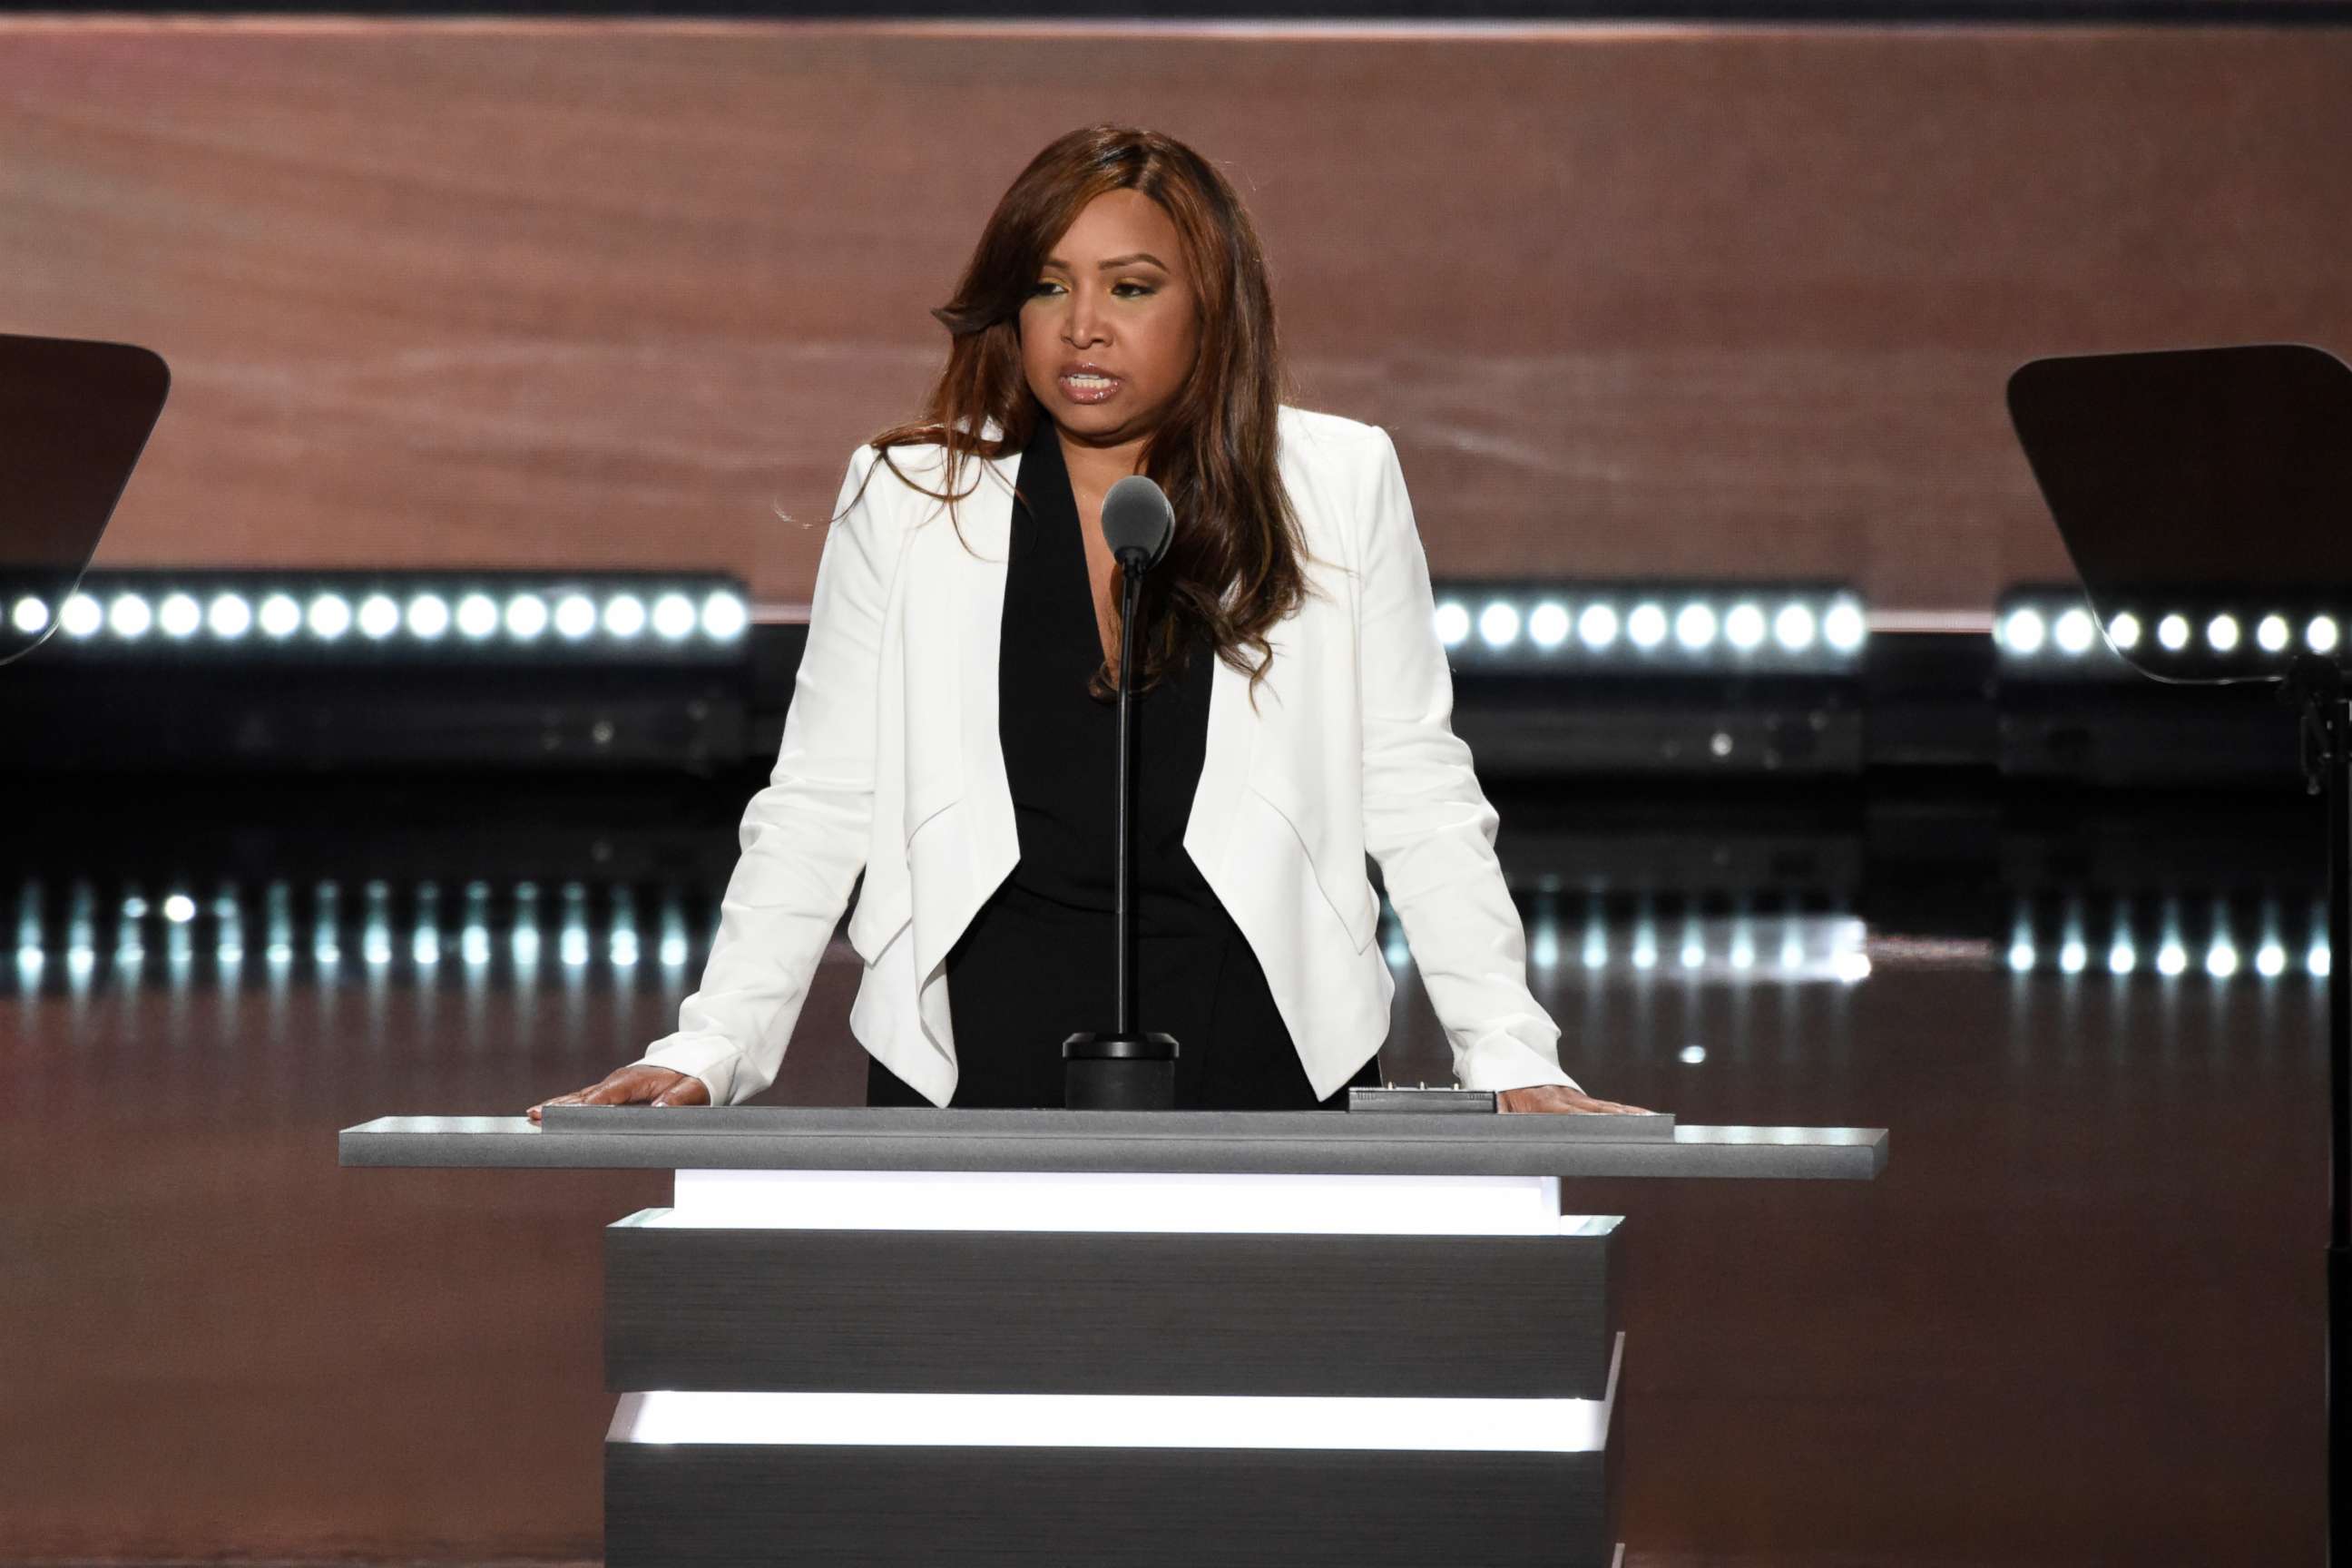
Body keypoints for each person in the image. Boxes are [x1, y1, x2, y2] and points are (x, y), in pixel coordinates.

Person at [531, 124, 1646, 1121]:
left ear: (1213, 308)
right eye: (1051, 287)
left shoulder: (1336, 481)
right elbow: (824, 799)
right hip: (979, 1048)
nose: (1083, 328)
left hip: (1258, 1036)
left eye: (1132, 287)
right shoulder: (913, 496)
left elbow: (1414, 784)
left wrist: (1507, 1050)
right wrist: (716, 1040)